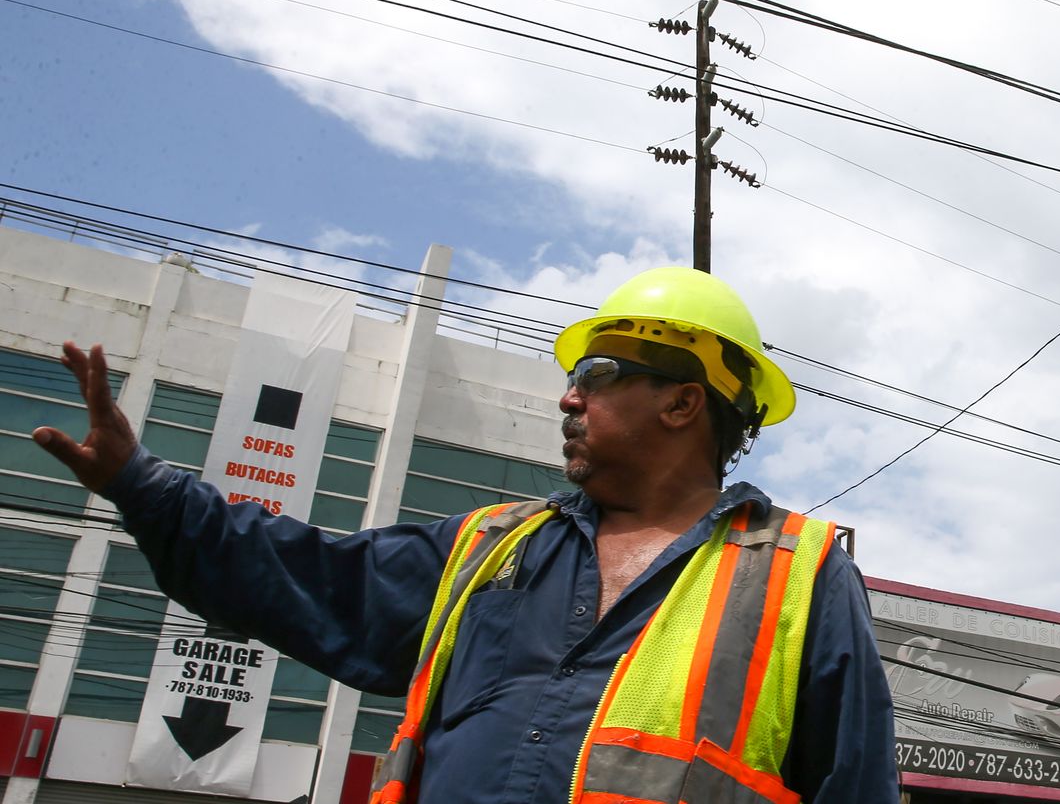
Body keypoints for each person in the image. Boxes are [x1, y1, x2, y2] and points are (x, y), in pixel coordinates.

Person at [33, 266, 897, 803]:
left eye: (598, 375)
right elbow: (309, 579)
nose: (568, 398)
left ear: (683, 401)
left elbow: (854, 787)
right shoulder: (491, 548)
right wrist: (142, 488)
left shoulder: (797, 576)